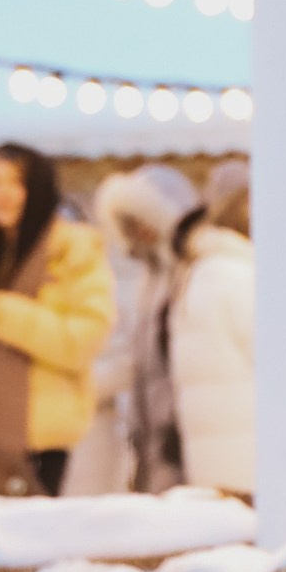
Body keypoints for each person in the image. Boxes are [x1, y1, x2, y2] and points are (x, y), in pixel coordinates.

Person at [0, 140, 116, 499]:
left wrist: (2, 311)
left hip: (39, 437)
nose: (3, 194)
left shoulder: (73, 250)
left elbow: (81, 341)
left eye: (15, 183)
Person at [71, 161, 196, 492]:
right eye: (129, 225)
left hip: (181, 427)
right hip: (150, 431)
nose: (138, 234)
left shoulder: (188, 275)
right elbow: (134, 357)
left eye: (141, 223)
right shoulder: (147, 279)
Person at [168, 161, 258, 498]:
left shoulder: (202, 271)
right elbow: (285, 363)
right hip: (252, 459)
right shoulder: (238, 275)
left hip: (218, 458)